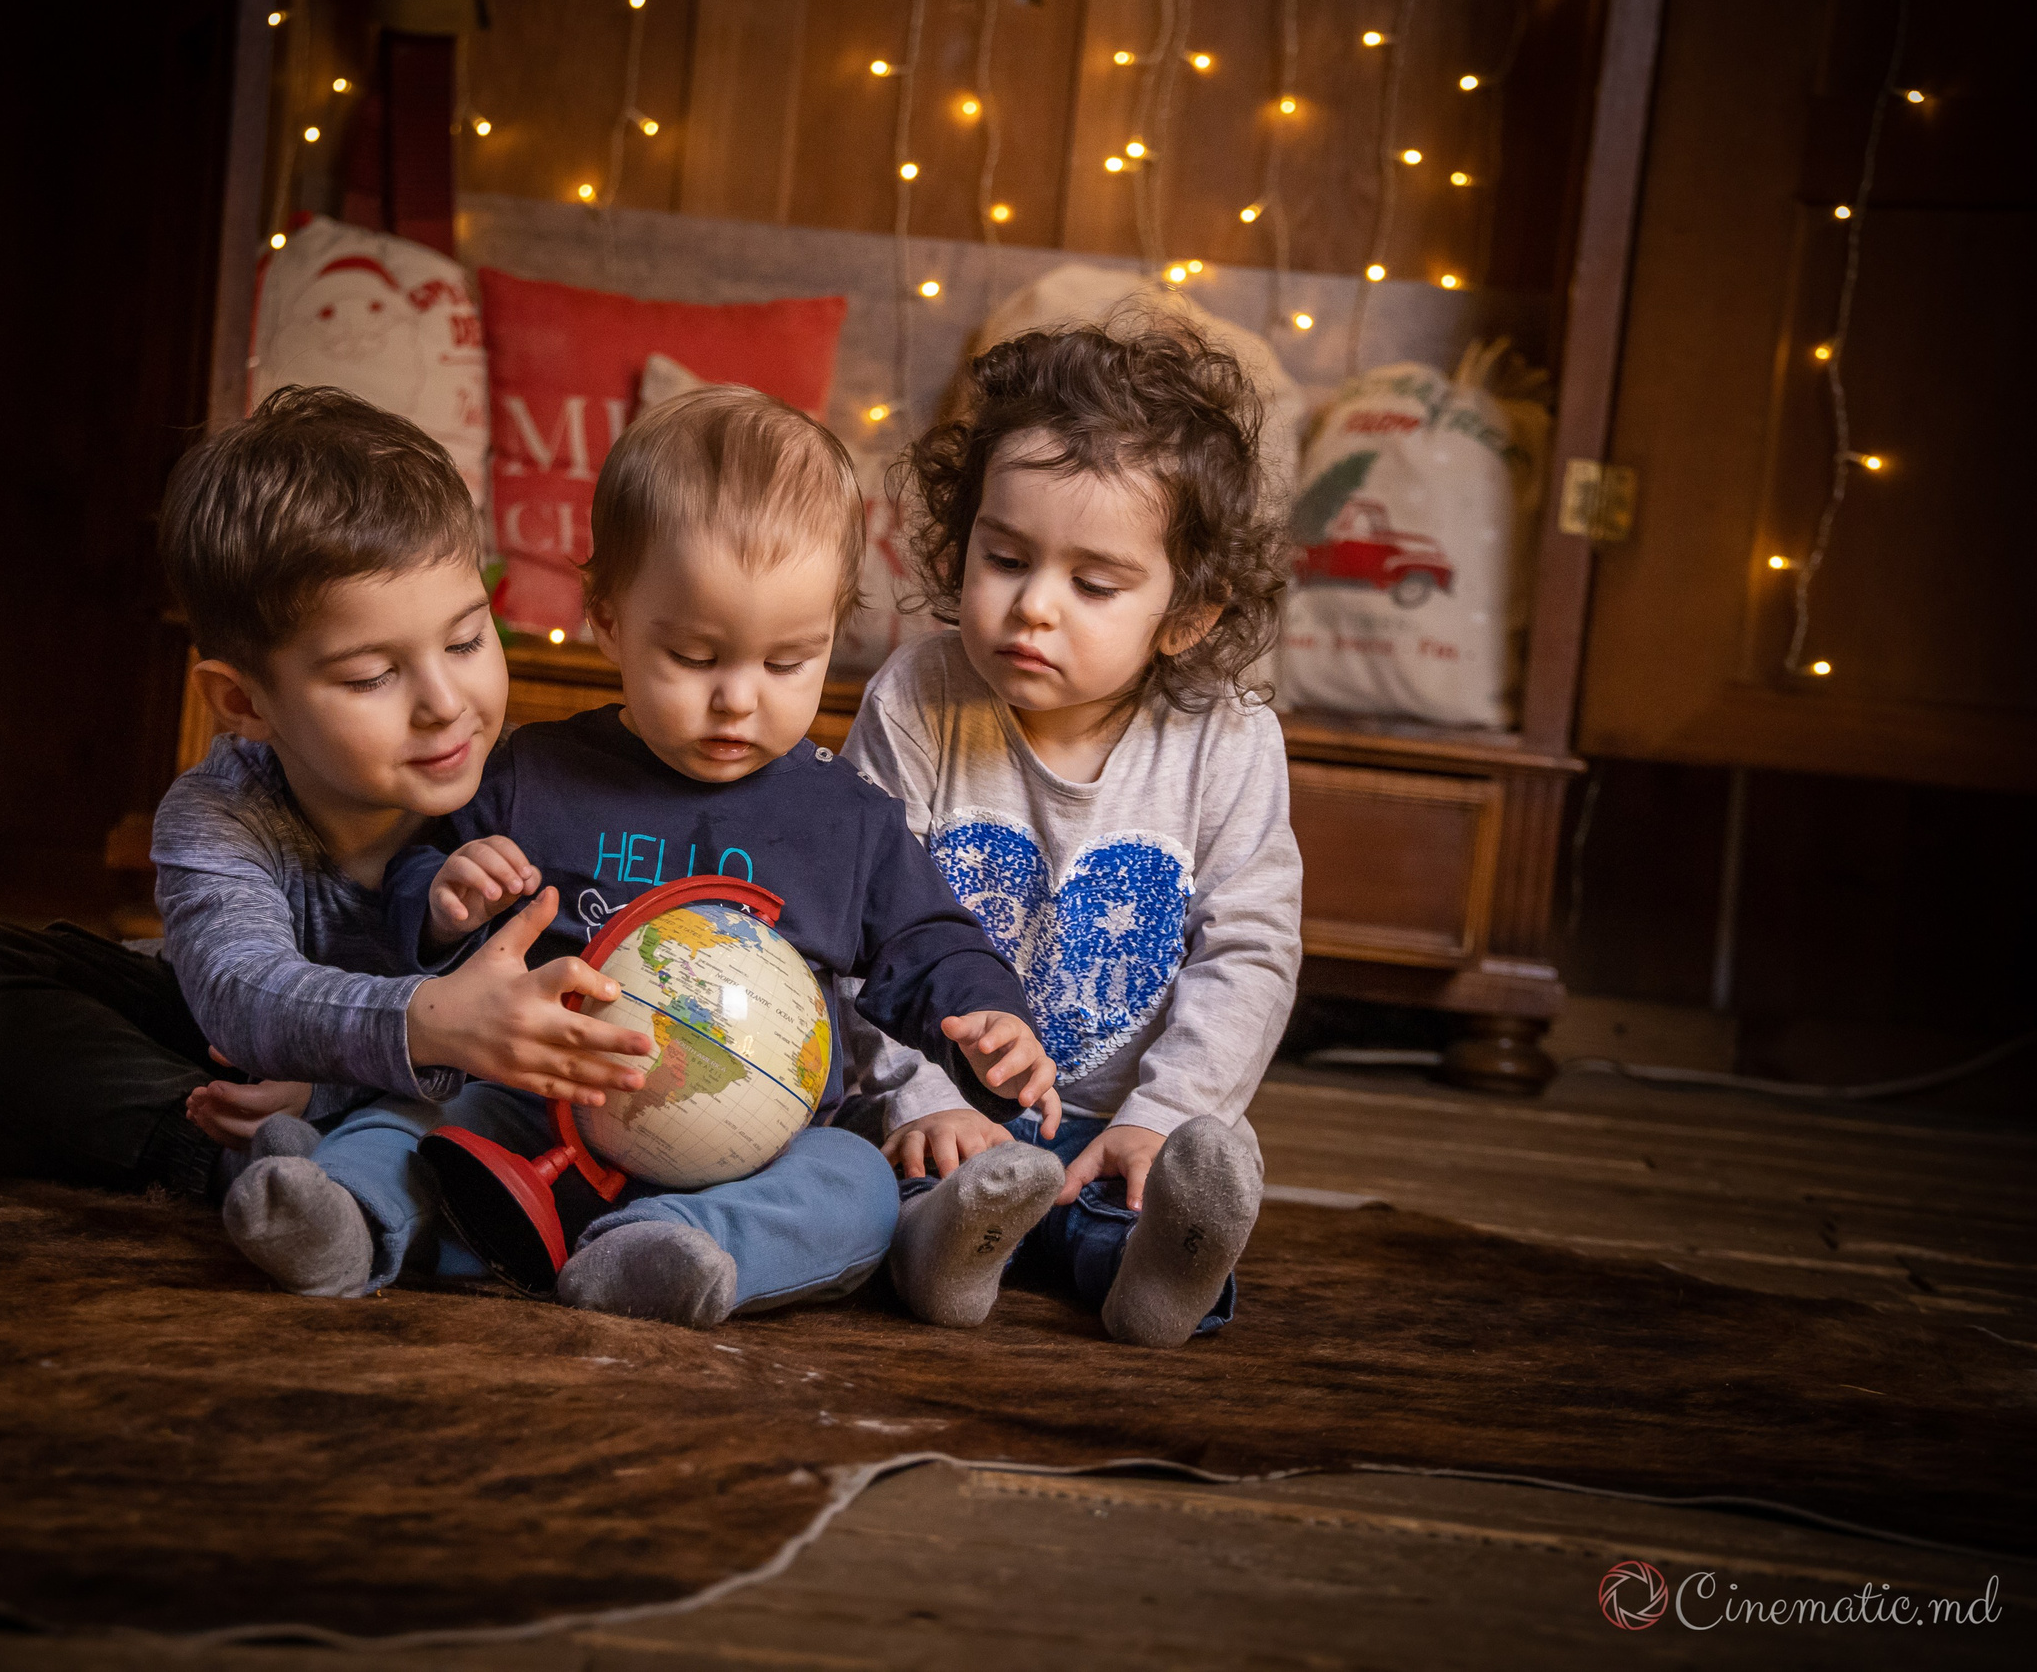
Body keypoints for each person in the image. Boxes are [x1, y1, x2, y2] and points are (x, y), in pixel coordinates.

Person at [250, 384, 1063, 1331]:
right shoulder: (534, 775)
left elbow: (929, 941)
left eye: (787, 662)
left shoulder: (848, 820)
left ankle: (671, 1249)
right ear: (607, 616)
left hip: (755, 1150)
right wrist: (442, 899)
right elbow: (407, 890)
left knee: (856, 1185)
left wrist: (989, 1018)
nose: (738, 700)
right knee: (414, 1118)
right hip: (535, 1109)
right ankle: (343, 1210)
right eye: (695, 657)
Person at [0, 386, 656, 1298]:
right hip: (241, 1045)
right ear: (244, 702)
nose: (445, 703)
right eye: (371, 676)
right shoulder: (219, 814)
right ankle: (218, 1158)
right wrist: (420, 1025)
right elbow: (238, 998)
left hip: (441, 1086)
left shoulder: (526, 790)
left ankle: (87, 1133)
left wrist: (333, 1088)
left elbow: (534, 1028)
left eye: (465, 641)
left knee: (490, 1086)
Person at [842, 318, 1302, 1348]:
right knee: (891, 1185)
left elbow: (1249, 950)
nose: (1033, 607)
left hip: (1117, 1116)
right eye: (1005, 558)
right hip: (948, 1105)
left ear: (1186, 615)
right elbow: (852, 921)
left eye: (1093, 585)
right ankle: (943, 1249)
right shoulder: (918, 698)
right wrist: (920, 1096)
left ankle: (1149, 1277)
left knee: (1136, 1201)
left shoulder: (1227, 740)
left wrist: (1163, 1116)